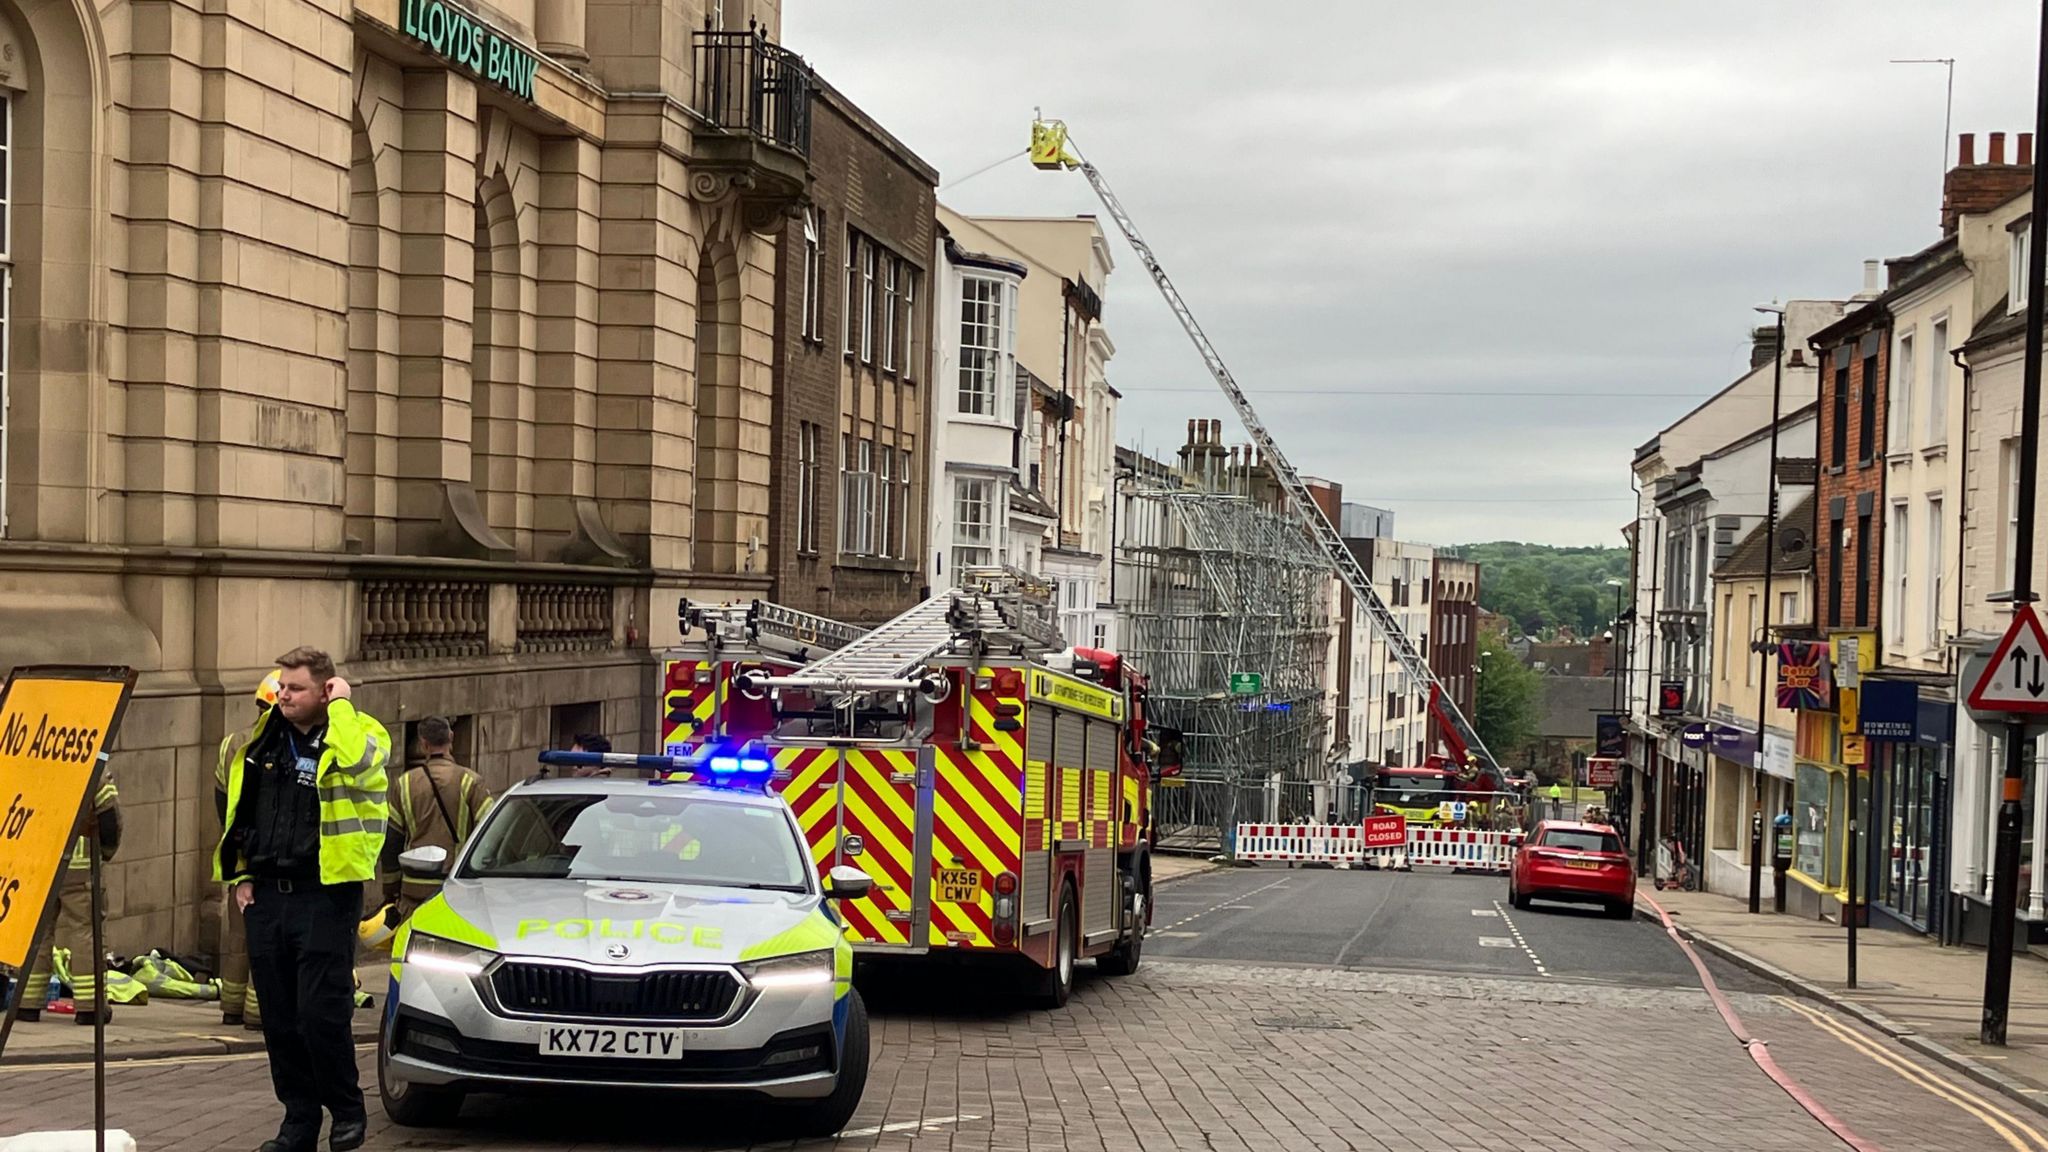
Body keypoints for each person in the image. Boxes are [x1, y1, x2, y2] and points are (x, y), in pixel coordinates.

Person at [217, 646, 390, 1152]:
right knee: (280, 1018)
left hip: (326, 894)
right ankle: (298, 1122)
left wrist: (342, 707)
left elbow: (359, 763)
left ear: (325, 689)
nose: (282, 695)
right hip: (268, 896)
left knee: (320, 1014)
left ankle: (346, 1110)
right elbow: (241, 809)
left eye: (294, 688)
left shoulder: (359, 733)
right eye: (281, 686)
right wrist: (241, 875)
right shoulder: (264, 738)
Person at [16, 767, 122, 1025]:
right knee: (85, 931)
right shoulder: (91, 766)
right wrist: (105, 852)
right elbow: (110, 819)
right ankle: (90, 1007)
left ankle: (26, 1003)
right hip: (79, 868)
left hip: (36, 865)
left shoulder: (34, 762)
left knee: (37, 933)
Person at [217, 670, 282, 1030]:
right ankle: (258, 1014)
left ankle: (230, 1005)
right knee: (267, 938)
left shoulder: (231, 744)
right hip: (271, 855)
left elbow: (219, 799)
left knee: (238, 933)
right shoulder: (282, 743)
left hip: (237, 853)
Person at [382, 716, 493, 922]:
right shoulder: (471, 782)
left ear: (423, 744)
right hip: (457, 888)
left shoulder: (404, 783)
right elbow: (491, 835)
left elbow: (392, 840)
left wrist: (391, 890)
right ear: (451, 737)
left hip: (414, 890)